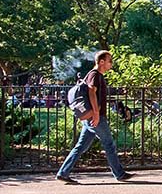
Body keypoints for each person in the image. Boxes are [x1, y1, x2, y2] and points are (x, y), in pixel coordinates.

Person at [55, 50, 130, 184]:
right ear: (101, 62)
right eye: (109, 61)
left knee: (81, 146)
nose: (111, 64)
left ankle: (63, 173)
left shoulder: (95, 75)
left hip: (91, 117)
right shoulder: (95, 75)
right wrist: (96, 113)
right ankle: (120, 174)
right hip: (96, 117)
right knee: (109, 144)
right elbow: (91, 92)